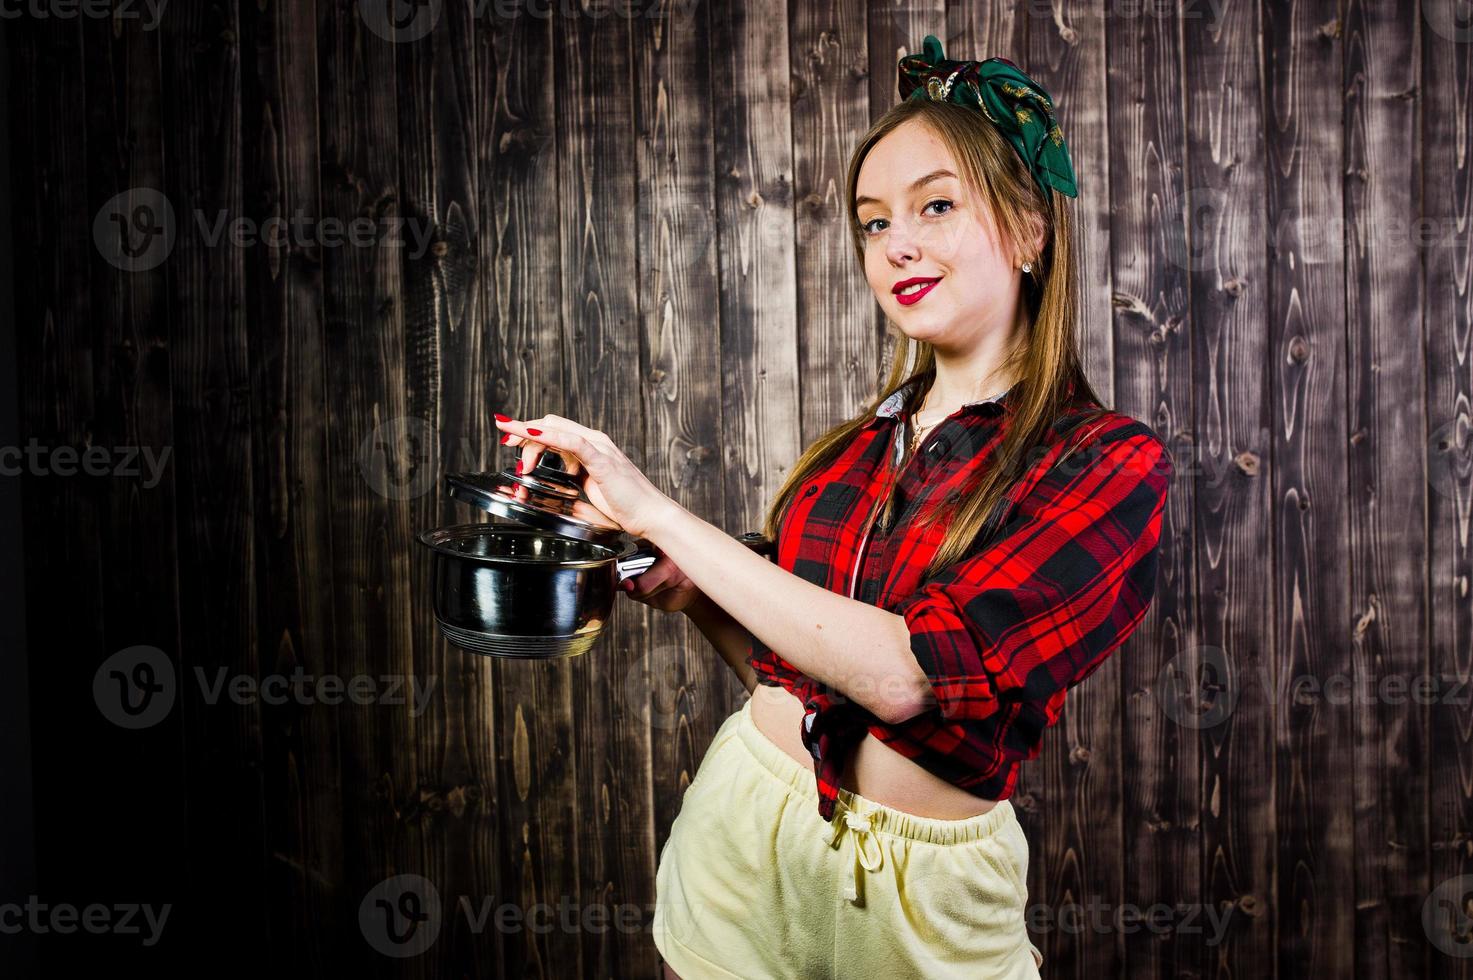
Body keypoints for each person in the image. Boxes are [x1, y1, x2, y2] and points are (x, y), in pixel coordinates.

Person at [494, 35, 1172, 980]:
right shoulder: (855, 449)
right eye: (871, 222)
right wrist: (691, 594)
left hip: (919, 910)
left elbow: (903, 679)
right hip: (747, 832)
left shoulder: (1102, 463)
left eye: (935, 206)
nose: (895, 243)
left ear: (1028, 231)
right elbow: (792, 676)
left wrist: (656, 511)